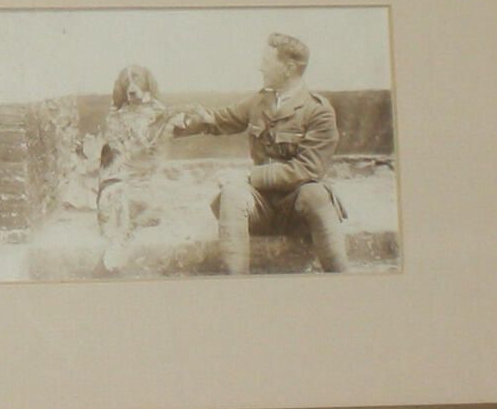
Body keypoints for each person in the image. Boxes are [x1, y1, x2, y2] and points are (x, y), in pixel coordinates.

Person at [171, 33, 349, 274]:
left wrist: (249, 176)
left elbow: (308, 169)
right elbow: (219, 120)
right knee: (232, 194)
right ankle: (237, 286)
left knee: (316, 193)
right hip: (261, 207)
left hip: (298, 210)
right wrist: (173, 124)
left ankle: (343, 280)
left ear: (288, 68)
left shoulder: (318, 111)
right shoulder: (260, 101)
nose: (260, 67)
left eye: (266, 61)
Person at [96, 64, 175, 273]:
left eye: (136, 80)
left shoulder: (158, 113)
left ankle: (127, 229)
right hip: (121, 179)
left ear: (147, 82)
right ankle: (123, 237)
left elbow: (155, 155)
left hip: (146, 178)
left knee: (148, 208)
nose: (131, 88)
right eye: (126, 83)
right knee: (114, 204)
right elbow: (116, 158)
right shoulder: (117, 117)